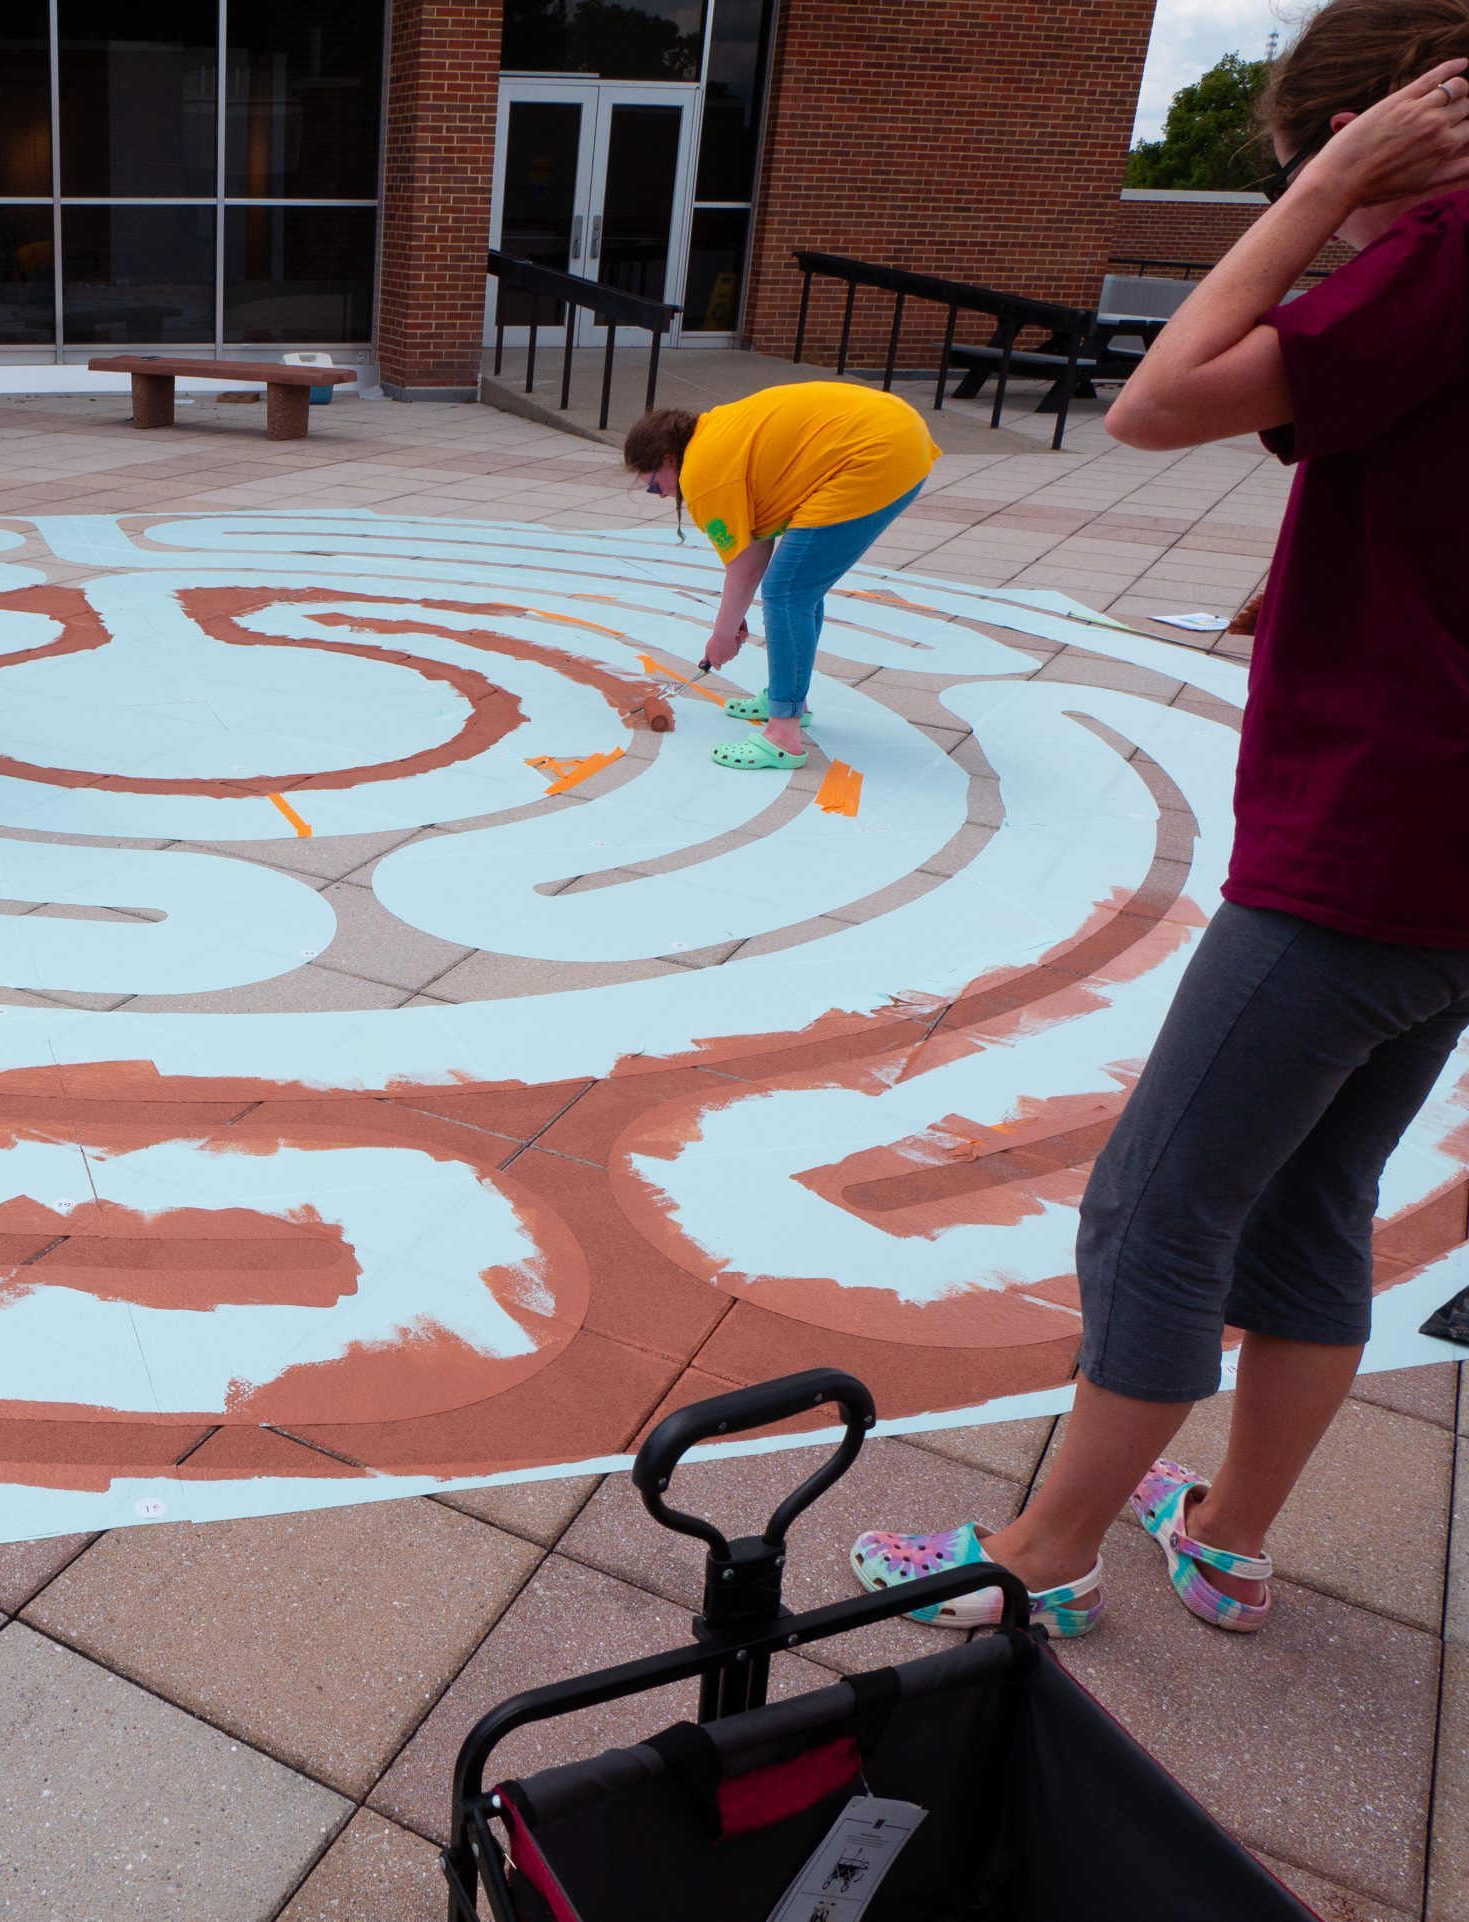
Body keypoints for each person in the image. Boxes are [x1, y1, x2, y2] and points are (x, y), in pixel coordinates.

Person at [851, 2, 1469, 1641]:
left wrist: (1319, 195)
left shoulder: (1446, 246)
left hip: (1379, 841)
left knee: (1156, 1203)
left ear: (1391, 137)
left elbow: (1156, 401)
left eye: (1330, 179)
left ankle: (1037, 1555)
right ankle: (1231, 1537)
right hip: (1452, 873)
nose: (1338, 239)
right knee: (1318, 1196)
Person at [621, 383, 938, 772]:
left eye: (654, 483)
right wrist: (729, 621)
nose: (658, 494)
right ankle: (789, 697)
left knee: (788, 591)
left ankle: (783, 736)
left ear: (669, 459)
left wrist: (722, 636)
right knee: (800, 584)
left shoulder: (703, 474)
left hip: (875, 451)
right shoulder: (708, 436)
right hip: (892, 429)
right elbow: (753, 546)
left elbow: (747, 568)